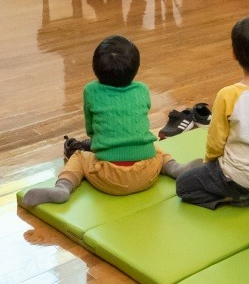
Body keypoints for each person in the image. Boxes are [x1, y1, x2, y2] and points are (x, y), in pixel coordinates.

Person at [21, 36, 172, 205]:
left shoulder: (91, 90)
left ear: (95, 68)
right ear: (136, 68)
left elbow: (91, 130)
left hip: (109, 177)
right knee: (154, 146)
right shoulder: (142, 89)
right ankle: (176, 168)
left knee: (79, 157)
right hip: (148, 172)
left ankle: (63, 187)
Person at [167, 16, 249, 208]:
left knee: (183, 186)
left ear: (234, 53)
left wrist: (209, 165)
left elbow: (215, 143)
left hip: (237, 180)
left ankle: (238, 197)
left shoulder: (228, 95)